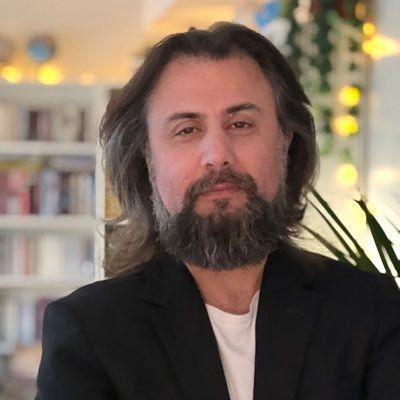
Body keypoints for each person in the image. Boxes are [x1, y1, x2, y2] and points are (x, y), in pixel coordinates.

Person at [36, 22, 400, 400]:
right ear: (147, 159)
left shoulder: (370, 311)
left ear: (286, 142)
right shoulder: (90, 333)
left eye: (240, 124)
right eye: (187, 130)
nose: (217, 155)